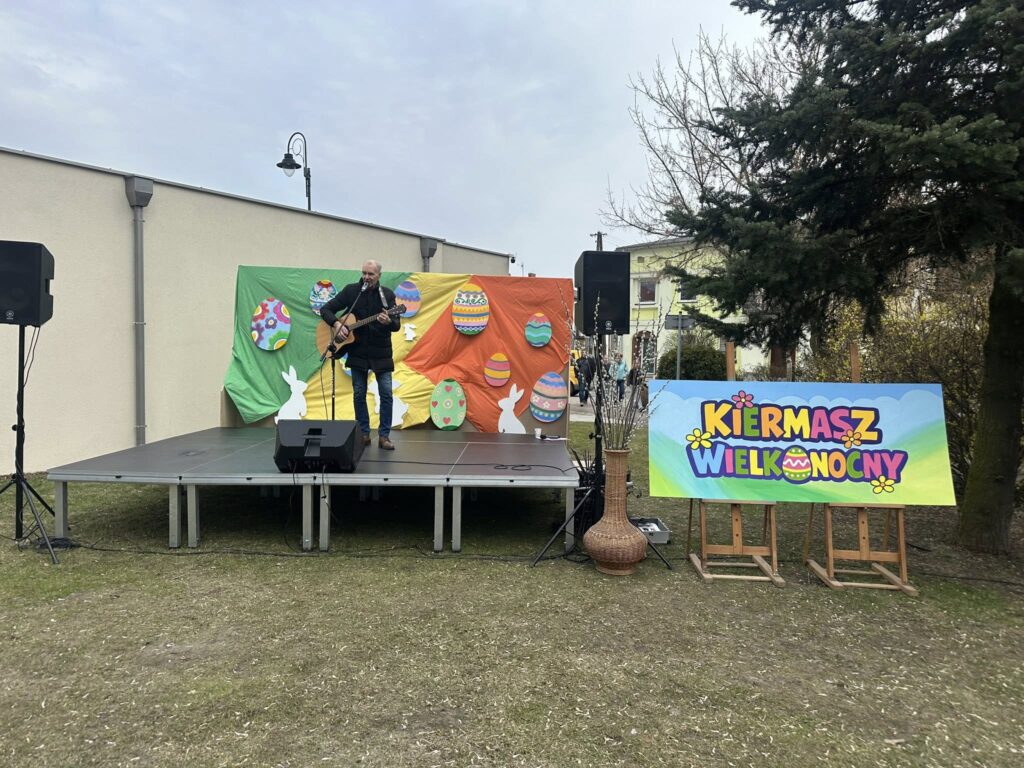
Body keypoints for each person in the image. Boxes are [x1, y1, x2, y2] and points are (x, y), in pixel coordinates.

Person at [320, 260, 402, 450]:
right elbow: (326, 310)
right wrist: (336, 324)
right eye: (364, 273)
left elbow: (396, 325)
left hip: (381, 352)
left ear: (379, 276)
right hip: (357, 351)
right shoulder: (352, 291)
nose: (366, 277)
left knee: (386, 394)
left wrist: (388, 321)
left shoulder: (387, 295)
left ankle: (384, 436)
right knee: (359, 393)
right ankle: (364, 433)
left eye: (370, 274)